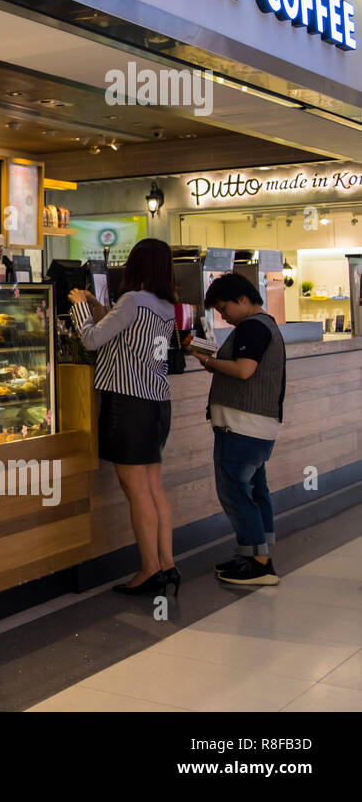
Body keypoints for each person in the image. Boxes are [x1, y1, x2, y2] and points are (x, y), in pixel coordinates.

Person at [67, 238, 178, 597]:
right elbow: (124, 335)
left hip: (128, 404)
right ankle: (167, 564)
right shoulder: (165, 306)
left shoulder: (132, 300)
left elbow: (92, 341)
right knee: (153, 488)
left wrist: (80, 308)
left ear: (135, 265)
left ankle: (148, 569)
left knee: (137, 492)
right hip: (158, 404)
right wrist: (101, 308)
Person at [187, 273, 286, 586]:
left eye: (224, 306)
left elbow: (244, 370)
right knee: (256, 491)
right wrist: (210, 361)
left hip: (243, 426)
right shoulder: (265, 325)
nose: (222, 314)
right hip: (256, 426)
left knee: (234, 491)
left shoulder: (253, 327)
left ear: (242, 299)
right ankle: (258, 552)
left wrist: (210, 362)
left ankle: (258, 562)